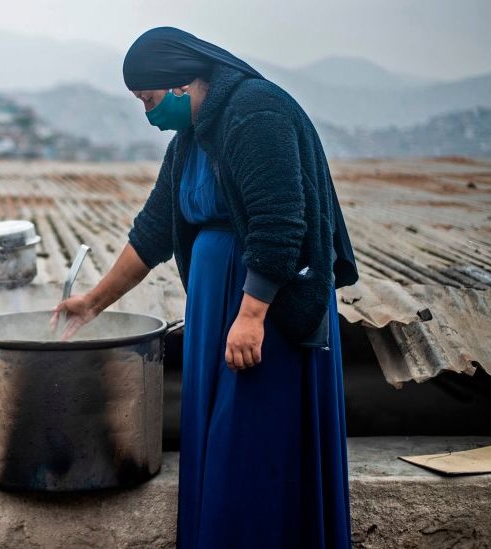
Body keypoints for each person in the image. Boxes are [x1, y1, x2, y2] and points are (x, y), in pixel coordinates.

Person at [52, 27, 359, 548]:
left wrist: (251, 315)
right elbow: (153, 233)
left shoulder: (254, 112)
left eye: (148, 99)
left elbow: (281, 223)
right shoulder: (193, 137)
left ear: (178, 83)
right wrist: (91, 303)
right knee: (222, 445)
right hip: (221, 304)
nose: (148, 113)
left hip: (267, 307)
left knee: (254, 446)